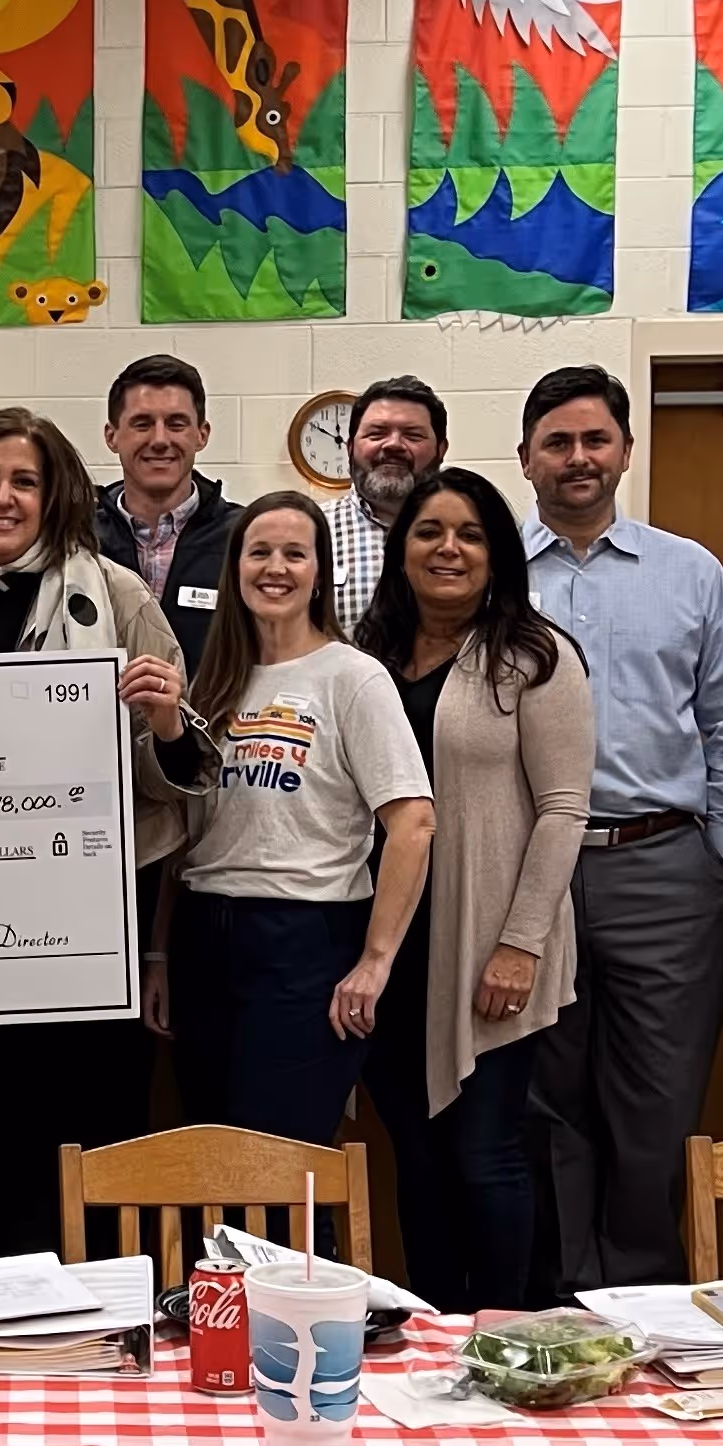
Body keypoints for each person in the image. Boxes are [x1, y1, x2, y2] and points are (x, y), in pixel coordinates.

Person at [0, 408, 208, 1268]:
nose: (3, 497)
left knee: (78, 1129)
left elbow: (192, 773)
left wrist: (165, 719)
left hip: (82, 928)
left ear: (55, 494)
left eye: (24, 480)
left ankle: (88, 1316)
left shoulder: (119, 595)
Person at [516, 365, 723, 1295]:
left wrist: (719, 851)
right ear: (526, 457)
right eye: (557, 443)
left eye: (594, 440)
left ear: (624, 449)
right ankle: (561, 1299)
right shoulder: (496, 569)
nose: (578, 459)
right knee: (547, 1101)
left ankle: (645, 1299)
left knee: (657, 1102)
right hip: (533, 875)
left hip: (661, 866)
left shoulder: (688, 572)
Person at [355, 469, 588, 1313]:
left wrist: (520, 943)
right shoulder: (369, 654)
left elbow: (563, 808)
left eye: (469, 534)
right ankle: (432, 1326)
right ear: (400, 546)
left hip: (487, 936)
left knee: (482, 1150)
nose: (446, 549)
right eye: (427, 531)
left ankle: (496, 1330)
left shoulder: (533, 654)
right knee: (412, 1154)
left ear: (496, 553)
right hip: (388, 942)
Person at [151, 492, 434, 1152]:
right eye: (258, 552)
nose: (274, 568)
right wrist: (160, 952)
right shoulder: (212, 682)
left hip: (304, 941)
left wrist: (374, 962)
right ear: (235, 568)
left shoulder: (352, 678)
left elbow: (413, 824)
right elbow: (183, 831)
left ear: (319, 573)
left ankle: (302, 1264)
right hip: (205, 936)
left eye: (293, 554)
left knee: (282, 1167)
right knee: (213, 1162)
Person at [96, 353, 243, 669]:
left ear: (201, 434)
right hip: (98, 718)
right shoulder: (77, 539)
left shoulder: (245, 538)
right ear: (112, 436)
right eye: (142, 424)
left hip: (216, 719)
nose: (160, 440)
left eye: (176, 424)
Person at [324, 377, 447, 632]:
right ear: (349, 448)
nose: (393, 445)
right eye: (376, 433)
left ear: (441, 450)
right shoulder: (311, 531)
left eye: (413, 435)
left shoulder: (477, 534)